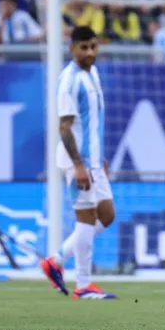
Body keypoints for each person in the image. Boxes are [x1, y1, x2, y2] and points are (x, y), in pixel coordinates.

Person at [40, 26, 117, 300]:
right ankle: (83, 285)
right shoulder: (69, 81)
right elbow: (64, 128)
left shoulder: (92, 73)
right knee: (85, 220)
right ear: (71, 48)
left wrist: (99, 158)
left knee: (107, 215)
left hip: (93, 161)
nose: (90, 52)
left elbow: (91, 123)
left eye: (93, 46)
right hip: (78, 162)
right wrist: (79, 165)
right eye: (84, 47)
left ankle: (56, 260)